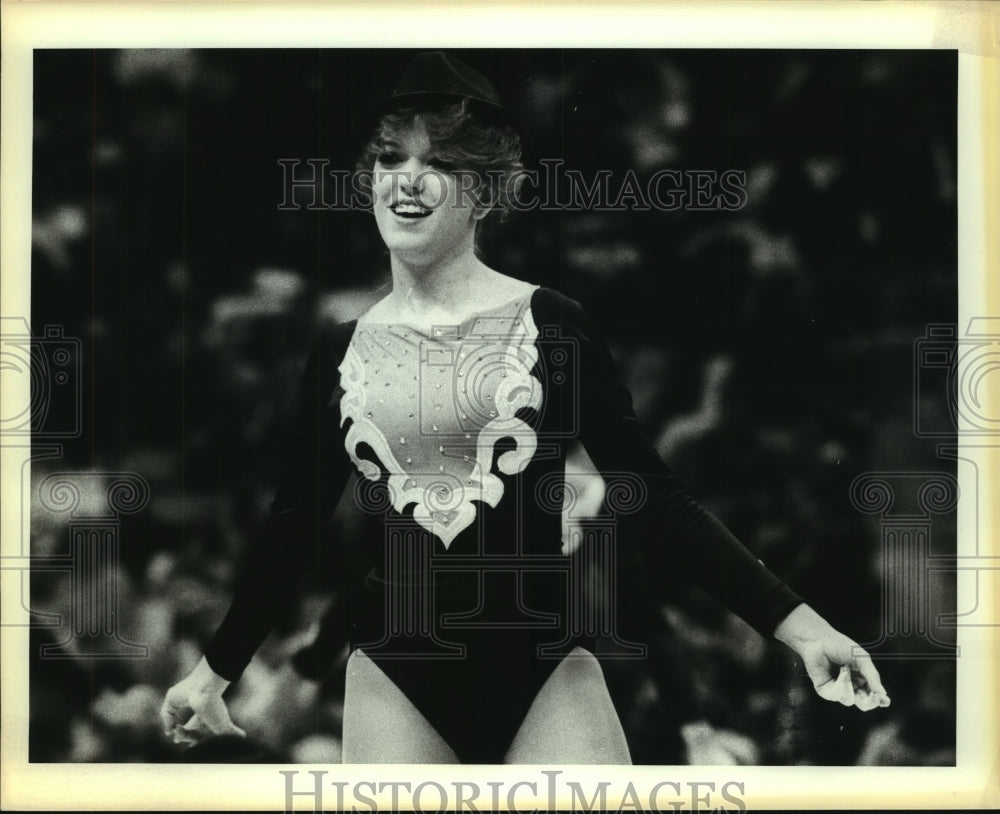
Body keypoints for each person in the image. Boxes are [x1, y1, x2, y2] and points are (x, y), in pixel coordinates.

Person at [160, 51, 890, 765]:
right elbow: (294, 526)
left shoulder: (552, 323)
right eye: (390, 159)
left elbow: (657, 499)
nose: (408, 182)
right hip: (394, 674)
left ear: (484, 192)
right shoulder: (339, 349)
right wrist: (213, 672)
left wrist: (802, 628)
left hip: (544, 671)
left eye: (440, 165)